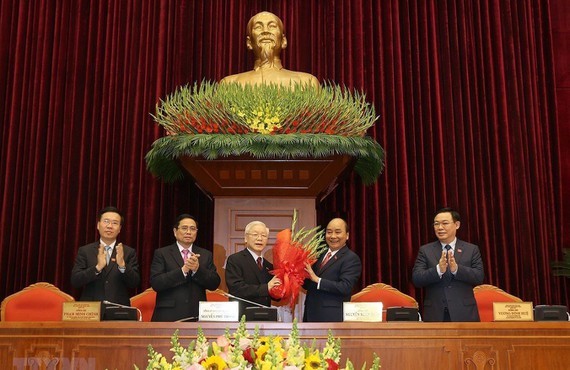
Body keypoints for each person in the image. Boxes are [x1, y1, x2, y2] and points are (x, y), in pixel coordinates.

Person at [412, 207, 485, 322]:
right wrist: (438, 270)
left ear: (457, 225)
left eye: (445, 223)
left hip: (464, 313)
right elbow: (417, 279)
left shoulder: (471, 249)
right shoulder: (425, 250)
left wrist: (457, 269)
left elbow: (479, 277)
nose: (440, 227)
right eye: (436, 224)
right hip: (435, 313)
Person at [220, 11, 320, 88]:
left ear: (283, 41)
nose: (265, 31)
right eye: (258, 27)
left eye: (272, 26)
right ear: (249, 43)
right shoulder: (229, 84)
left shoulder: (307, 83)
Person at [150, 214, 221, 321]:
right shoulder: (162, 253)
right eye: (184, 228)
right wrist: (183, 271)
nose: (188, 232)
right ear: (175, 231)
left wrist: (197, 269)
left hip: (196, 314)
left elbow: (214, 283)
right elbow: (156, 283)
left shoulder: (205, 254)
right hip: (167, 315)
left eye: (192, 229)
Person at [71, 206, 140, 306]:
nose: (109, 226)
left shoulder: (128, 252)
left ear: (120, 229)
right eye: (106, 221)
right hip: (91, 310)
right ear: (98, 225)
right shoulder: (85, 251)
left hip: (118, 309)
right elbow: (75, 281)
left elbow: (134, 283)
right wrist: (97, 268)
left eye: (115, 223)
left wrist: (122, 266)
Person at [303, 218, 362, 322]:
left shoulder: (351, 258)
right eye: (329, 232)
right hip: (311, 315)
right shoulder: (319, 254)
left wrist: (318, 280)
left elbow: (345, 287)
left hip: (332, 318)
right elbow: (309, 284)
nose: (333, 236)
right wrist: (296, 273)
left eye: (338, 232)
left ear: (347, 235)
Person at [225, 221, 282, 318]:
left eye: (264, 235)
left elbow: (274, 296)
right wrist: (266, 288)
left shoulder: (269, 266)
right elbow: (236, 289)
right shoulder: (235, 259)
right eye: (255, 234)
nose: (259, 238)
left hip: (265, 317)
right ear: (246, 238)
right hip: (241, 317)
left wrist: (283, 287)